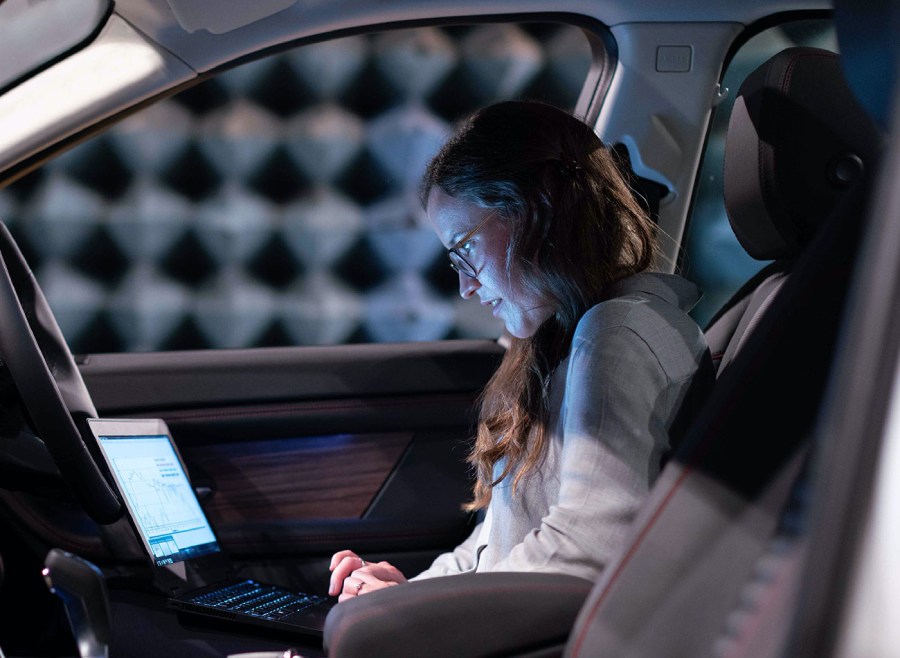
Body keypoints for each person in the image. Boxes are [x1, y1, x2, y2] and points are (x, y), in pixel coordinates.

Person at [328, 99, 713, 602]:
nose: (465, 286)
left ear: (537, 213)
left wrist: (419, 620)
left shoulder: (616, 333)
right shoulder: (558, 343)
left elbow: (587, 547)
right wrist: (402, 597)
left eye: (464, 249)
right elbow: (490, 548)